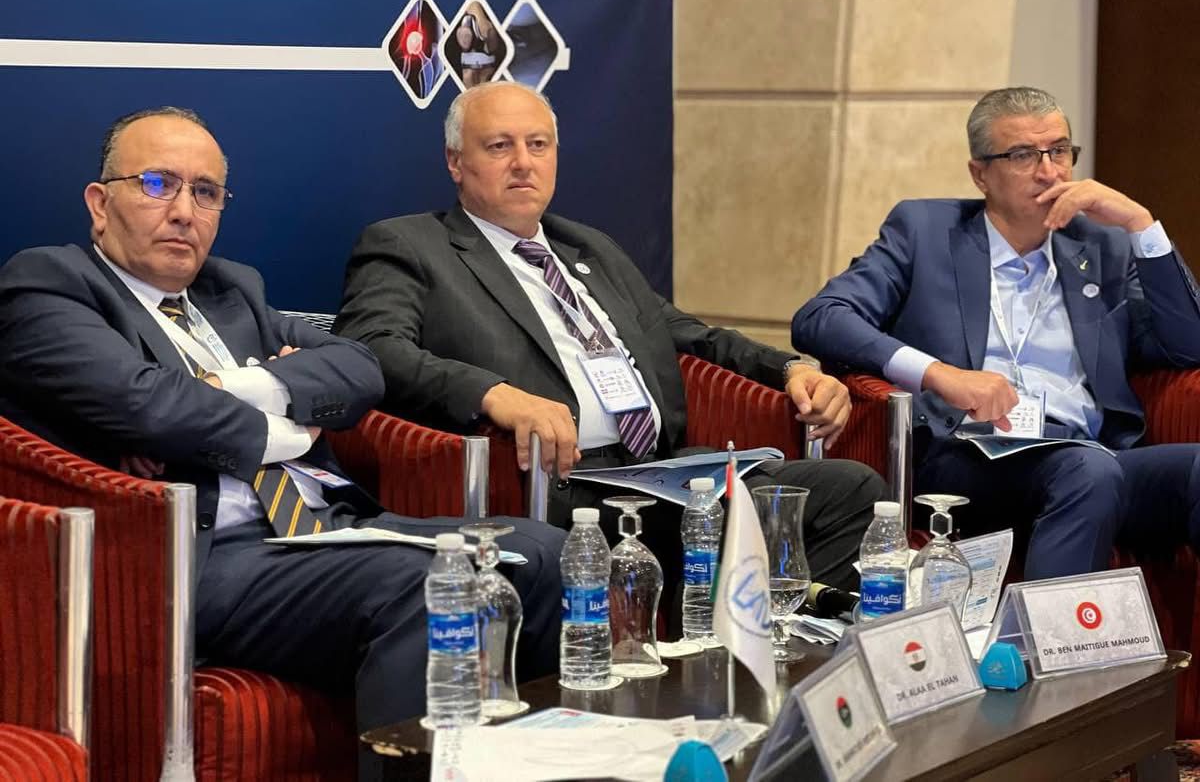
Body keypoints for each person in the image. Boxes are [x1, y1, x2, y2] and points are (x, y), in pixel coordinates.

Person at [0, 107, 565, 763]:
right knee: (430, 584)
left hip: (324, 526)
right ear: (101, 203)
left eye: (205, 192)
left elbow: (360, 367)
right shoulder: (50, 285)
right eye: (157, 184)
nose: (183, 211)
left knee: (545, 553)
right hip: (196, 558)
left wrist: (231, 388)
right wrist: (290, 425)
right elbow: (148, 404)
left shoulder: (231, 290)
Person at [333, 81, 883, 598]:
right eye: (499, 146)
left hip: (666, 472)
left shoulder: (587, 247)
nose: (523, 162)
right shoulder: (409, 246)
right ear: (456, 161)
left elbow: (688, 333)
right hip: (559, 486)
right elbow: (370, 346)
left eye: (538, 145)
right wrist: (494, 394)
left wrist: (791, 369)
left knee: (850, 490)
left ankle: (772, 642)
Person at [792, 86, 1200, 580]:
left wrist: (1140, 224)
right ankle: (1045, 634)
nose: (1049, 172)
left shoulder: (1104, 247)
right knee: (1086, 472)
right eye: (1023, 155)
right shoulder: (924, 231)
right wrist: (940, 375)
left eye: (1059, 151)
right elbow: (823, 317)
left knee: (1134, 470)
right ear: (980, 173)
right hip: (966, 458)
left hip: (1094, 457)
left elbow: (1188, 347)